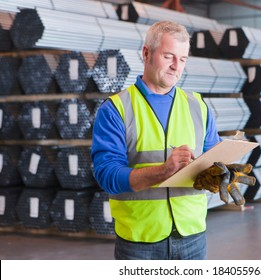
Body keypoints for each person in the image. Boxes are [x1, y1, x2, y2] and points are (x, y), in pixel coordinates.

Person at [91, 21, 221, 260]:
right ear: (146, 53)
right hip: (140, 242)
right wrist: (163, 171)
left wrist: (223, 174)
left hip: (192, 236)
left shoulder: (198, 106)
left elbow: (214, 157)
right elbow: (107, 176)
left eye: (182, 59)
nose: (176, 67)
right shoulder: (116, 109)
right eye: (169, 56)